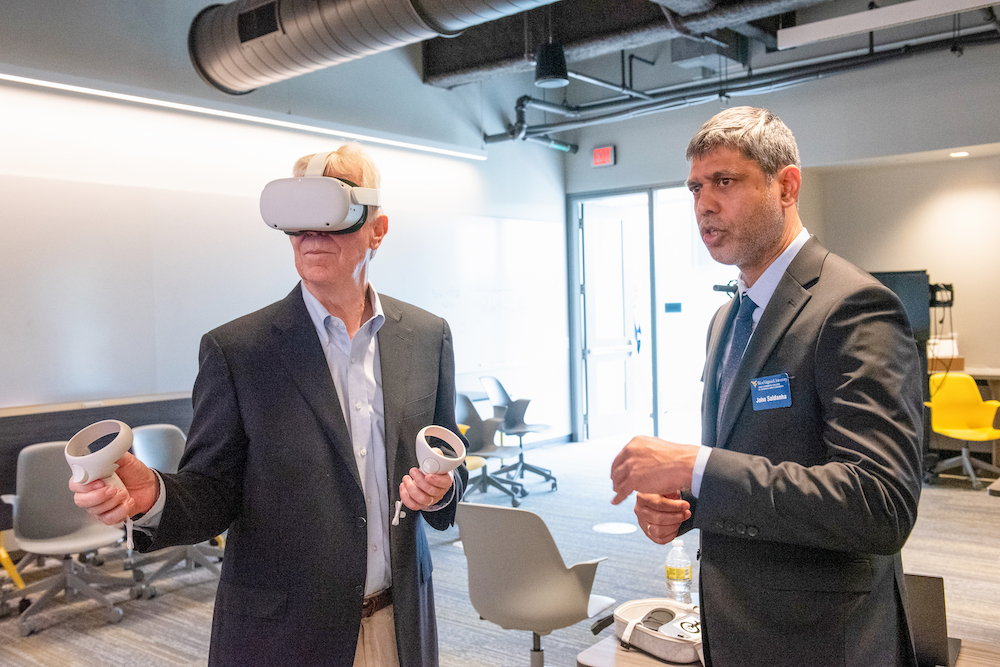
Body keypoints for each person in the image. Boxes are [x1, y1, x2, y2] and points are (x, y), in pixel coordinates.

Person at [71, 144, 468, 667]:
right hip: (284, 636)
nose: (311, 234)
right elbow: (213, 492)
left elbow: (448, 464)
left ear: (377, 229)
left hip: (401, 624)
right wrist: (156, 497)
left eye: (331, 215)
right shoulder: (238, 352)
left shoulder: (425, 337)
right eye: (297, 221)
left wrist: (440, 491)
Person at [610, 107, 923, 666]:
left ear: (787, 185)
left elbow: (880, 504)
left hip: (825, 640)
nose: (704, 203)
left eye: (725, 181)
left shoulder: (853, 307)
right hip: (735, 631)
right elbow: (754, 462)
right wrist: (685, 503)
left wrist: (696, 466)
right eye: (695, 187)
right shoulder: (725, 321)